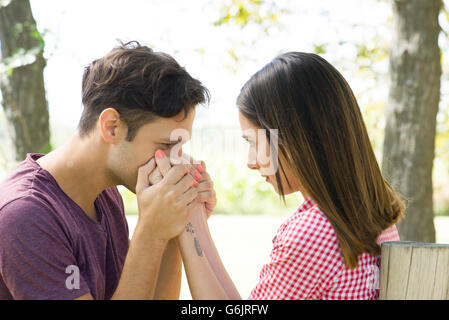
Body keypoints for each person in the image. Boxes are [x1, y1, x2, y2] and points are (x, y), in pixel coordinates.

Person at [162, 52, 405, 300]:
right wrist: (193, 220)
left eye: (255, 142)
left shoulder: (311, 235)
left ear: (296, 138)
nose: (251, 162)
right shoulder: (368, 216)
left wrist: (187, 222)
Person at [0, 41, 217, 300]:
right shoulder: (25, 215)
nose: (176, 162)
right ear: (112, 127)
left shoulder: (106, 195)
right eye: (167, 145)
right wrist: (150, 233)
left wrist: (175, 225)